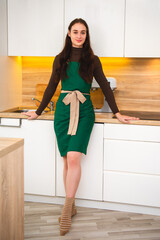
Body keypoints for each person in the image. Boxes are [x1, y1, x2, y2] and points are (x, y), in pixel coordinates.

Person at [22, 18, 139, 236]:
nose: (79, 35)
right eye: (75, 31)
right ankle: (72, 204)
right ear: (68, 33)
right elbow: (51, 86)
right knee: (67, 158)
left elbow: (104, 85)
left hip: (84, 111)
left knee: (74, 157)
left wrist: (117, 112)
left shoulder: (92, 60)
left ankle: (66, 210)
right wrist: (38, 112)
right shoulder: (60, 59)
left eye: (83, 32)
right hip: (64, 112)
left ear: (87, 35)